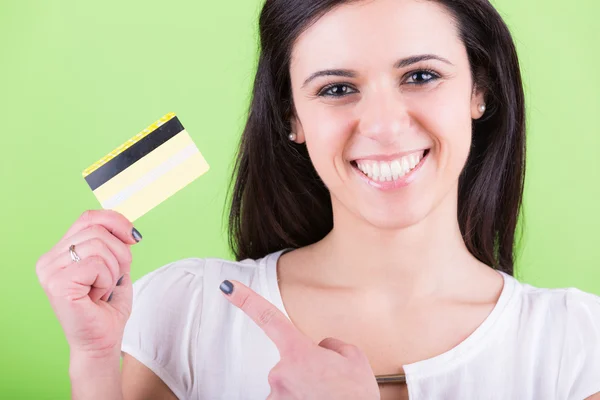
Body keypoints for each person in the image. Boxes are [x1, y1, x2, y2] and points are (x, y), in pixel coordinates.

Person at [36, 0, 600, 399]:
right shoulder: (186, 313)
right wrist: (92, 364)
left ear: (479, 91)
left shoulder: (579, 345)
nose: (381, 124)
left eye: (422, 75)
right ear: (292, 117)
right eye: (336, 89)